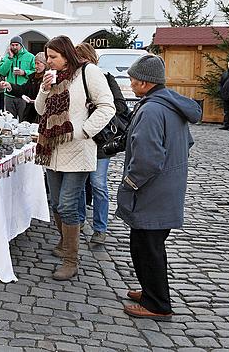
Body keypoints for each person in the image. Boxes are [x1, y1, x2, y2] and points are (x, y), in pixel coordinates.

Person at [118, 55, 201, 319]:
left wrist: (130, 183)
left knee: (148, 247)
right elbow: (185, 143)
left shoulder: (153, 110)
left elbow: (148, 158)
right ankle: (150, 290)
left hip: (152, 190)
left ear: (144, 82)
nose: (130, 84)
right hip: (165, 187)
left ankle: (157, 304)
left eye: (132, 79)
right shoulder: (168, 104)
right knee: (145, 244)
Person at [35, 36, 114, 280]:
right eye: (47, 57)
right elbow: (40, 110)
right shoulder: (53, 77)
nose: (49, 62)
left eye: (53, 57)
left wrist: (84, 131)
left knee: (69, 204)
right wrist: (43, 89)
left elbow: (107, 106)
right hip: (52, 148)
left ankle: (71, 260)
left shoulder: (88, 73)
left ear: (66, 55)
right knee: (57, 203)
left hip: (78, 150)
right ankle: (64, 242)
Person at [75, 43, 128, 246]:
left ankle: (100, 228)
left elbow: (120, 106)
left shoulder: (106, 78)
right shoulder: (74, 79)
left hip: (99, 141)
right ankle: (79, 221)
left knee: (98, 185)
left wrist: (95, 106)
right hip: (79, 140)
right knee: (79, 185)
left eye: (82, 59)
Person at [3, 52, 47, 124]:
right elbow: (23, 89)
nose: (36, 66)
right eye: (35, 63)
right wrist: (10, 86)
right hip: (30, 114)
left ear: (45, 64)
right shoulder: (32, 77)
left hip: (42, 115)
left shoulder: (48, 78)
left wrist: (36, 101)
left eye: (38, 63)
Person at [0, 36, 35, 120]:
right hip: (9, 94)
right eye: (12, 45)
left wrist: (24, 72)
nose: (14, 47)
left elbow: (35, 71)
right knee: (9, 120)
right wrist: (10, 58)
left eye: (16, 45)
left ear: (21, 45)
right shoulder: (7, 57)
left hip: (23, 94)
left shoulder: (30, 57)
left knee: (24, 119)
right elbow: (2, 72)